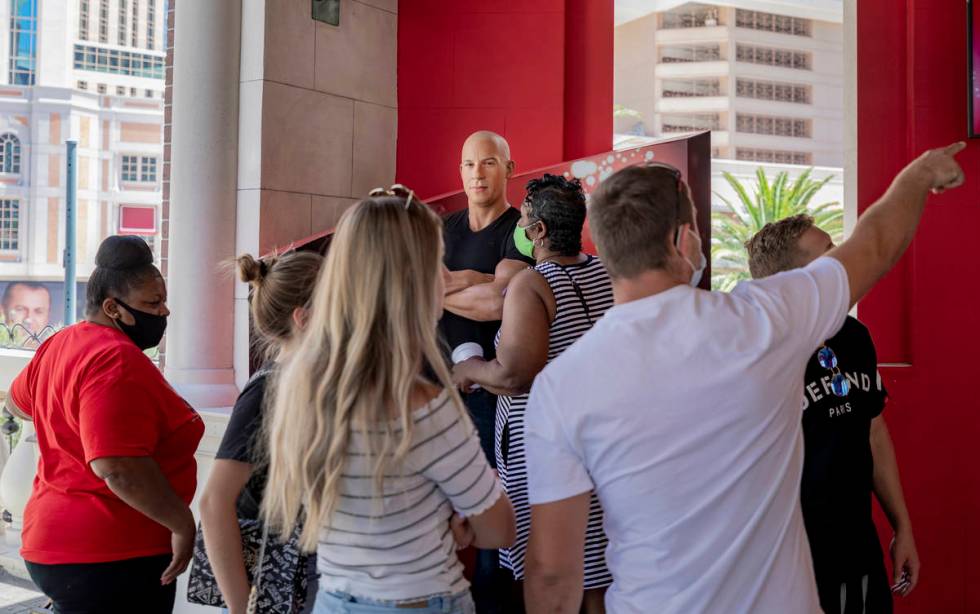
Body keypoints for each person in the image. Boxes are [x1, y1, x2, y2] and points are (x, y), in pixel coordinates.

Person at [519, 144, 965, 614]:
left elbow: (552, 575)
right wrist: (918, 175)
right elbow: (873, 244)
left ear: (606, 251)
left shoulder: (559, 387)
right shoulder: (763, 324)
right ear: (683, 240)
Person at [262, 186, 516, 614]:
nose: (446, 275)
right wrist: (456, 521)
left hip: (333, 601)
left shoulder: (301, 387)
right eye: (438, 261)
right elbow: (499, 528)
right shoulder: (429, 408)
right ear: (412, 282)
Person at [3, 235, 204, 614]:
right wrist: (182, 524)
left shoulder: (61, 344)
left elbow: (17, 404)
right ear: (113, 307)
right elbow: (116, 466)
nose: (164, 312)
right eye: (152, 303)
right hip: (111, 553)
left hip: (54, 541)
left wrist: (66, 412)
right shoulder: (115, 359)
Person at [452, 174, 613, 613]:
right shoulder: (601, 271)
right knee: (593, 568)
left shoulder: (535, 283)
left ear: (539, 231)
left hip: (543, 452)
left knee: (548, 574)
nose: (520, 231)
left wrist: (467, 368)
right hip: (598, 442)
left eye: (524, 224)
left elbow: (514, 375)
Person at [745, 214, 920, 614]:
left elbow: (873, 431)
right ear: (793, 279)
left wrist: (902, 526)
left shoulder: (855, 337)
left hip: (858, 547)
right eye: (829, 256)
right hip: (788, 560)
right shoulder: (757, 355)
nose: (842, 263)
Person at [198, 250, 323, 614]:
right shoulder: (267, 390)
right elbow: (214, 502)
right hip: (275, 586)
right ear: (304, 318)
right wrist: (241, 608)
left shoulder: (312, 382)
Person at [439, 130, 533, 612]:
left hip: (495, 399)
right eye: (470, 164)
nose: (478, 173)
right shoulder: (445, 228)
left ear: (509, 169)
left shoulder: (520, 230)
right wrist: (477, 282)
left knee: (495, 517)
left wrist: (440, 288)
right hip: (440, 392)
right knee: (440, 512)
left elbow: (502, 300)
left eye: (489, 163)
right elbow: (420, 293)